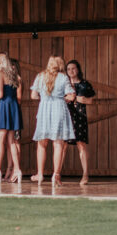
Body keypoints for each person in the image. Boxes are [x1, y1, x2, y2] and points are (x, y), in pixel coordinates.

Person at [30, 56, 76, 186]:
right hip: (59, 109)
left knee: (42, 144)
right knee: (58, 144)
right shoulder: (63, 77)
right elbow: (71, 96)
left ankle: (40, 174)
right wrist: (66, 97)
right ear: (61, 65)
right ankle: (56, 175)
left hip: (44, 110)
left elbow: (33, 96)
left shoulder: (40, 76)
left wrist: (44, 97)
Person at [0, 52, 22, 184]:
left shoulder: (0, 73)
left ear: (0, 61)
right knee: (12, 141)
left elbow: (1, 94)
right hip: (13, 106)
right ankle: (17, 170)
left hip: (5, 106)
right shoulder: (15, 75)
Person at [66, 59, 97, 185]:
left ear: (78, 69)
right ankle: (56, 175)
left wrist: (82, 99)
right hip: (66, 116)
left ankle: (85, 174)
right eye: (68, 69)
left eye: (73, 68)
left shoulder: (85, 84)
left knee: (81, 145)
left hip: (79, 117)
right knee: (62, 145)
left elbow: (91, 100)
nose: (71, 71)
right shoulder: (64, 84)